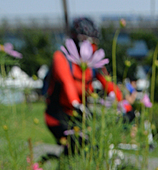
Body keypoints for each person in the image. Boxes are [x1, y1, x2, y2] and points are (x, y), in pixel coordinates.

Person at [44, 17, 133, 155]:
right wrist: (76, 104)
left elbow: (110, 85)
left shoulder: (93, 65)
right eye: (90, 42)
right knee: (79, 147)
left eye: (95, 43)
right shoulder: (61, 57)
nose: (93, 48)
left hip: (81, 116)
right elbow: (68, 84)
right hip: (58, 116)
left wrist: (126, 106)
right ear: (78, 41)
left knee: (94, 144)